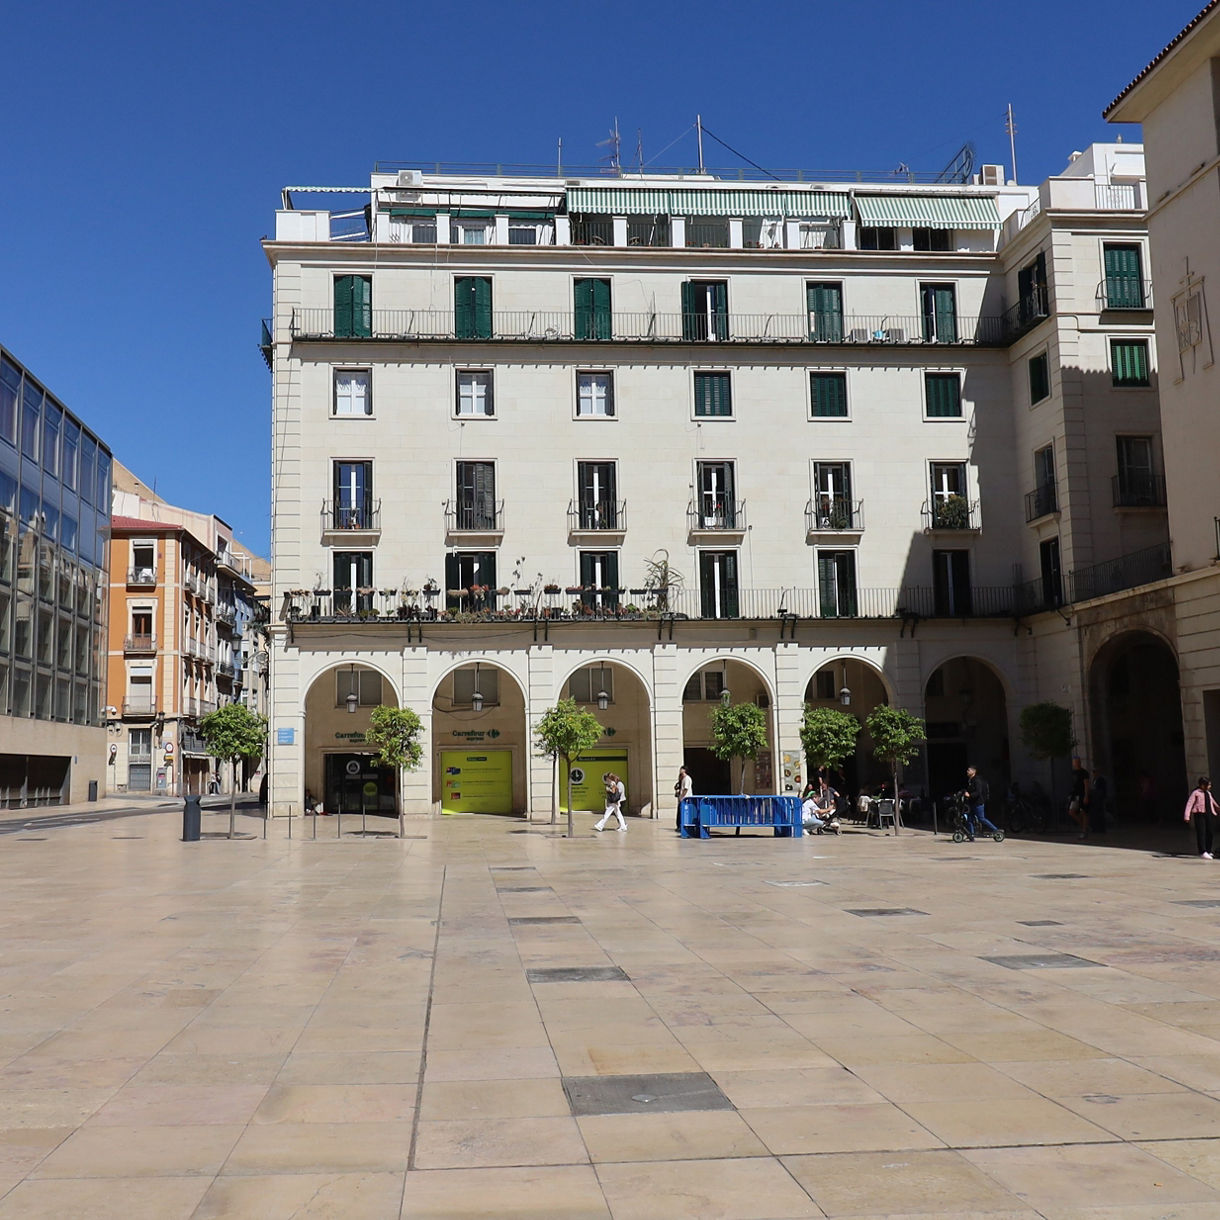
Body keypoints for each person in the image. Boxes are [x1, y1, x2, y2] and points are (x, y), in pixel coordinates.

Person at [961, 765, 1000, 841]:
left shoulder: (977, 780)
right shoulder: (970, 780)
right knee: (969, 819)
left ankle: (995, 830)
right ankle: (971, 835)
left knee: (981, 818)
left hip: (978, 803)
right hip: (971, 803)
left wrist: (969, 795)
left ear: (974, 771)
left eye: (969, 770)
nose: (967, 771)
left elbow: (978, 792)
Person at [1183, 777, 1219, 858]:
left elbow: (1213, 802)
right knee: (1201, 833)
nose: (1210, 786)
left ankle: (1208, 850)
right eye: (1208, 784)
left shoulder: (1208, 793)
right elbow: (1189, 804)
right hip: (1200, 815)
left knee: (1210, 832)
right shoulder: (1196, 793)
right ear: (1203, 785)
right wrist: (1187, 815)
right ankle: (1202, 851)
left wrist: (1217, 808)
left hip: (1209, 814)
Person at [1068, 758, 1091, 838]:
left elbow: (1086, 785)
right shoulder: (1073, 773)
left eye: (1077, 762)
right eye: (1075, 762)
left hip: (1082, 794)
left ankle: (1084, 830)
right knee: (1071, 812)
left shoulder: (1084, 773)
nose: (1076, 764)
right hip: (1075, 795)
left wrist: (1086, 795)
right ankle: (1084, 827)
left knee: (1084, 812)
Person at [1089, 769, 1108, 834]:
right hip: (1095, 800)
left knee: (1101, 814)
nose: (1094, 774)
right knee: (1096, 814)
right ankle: (1096, 828)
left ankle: (1101, 828)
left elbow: (1101, 790)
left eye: (1095, 772)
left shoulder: (1101, 780)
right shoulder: (1095, 779)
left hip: (1100, 799)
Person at [674, 765, 693, 832]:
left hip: (686, 799)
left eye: (681, 769)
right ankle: (679, 826)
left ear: (684, 770)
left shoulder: (687, 778)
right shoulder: (682, 778)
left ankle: (682, 826)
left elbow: (685, 789)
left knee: (683, 812)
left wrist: (681, 797)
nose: (680, 770)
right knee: (679, 812)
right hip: (682, 798)